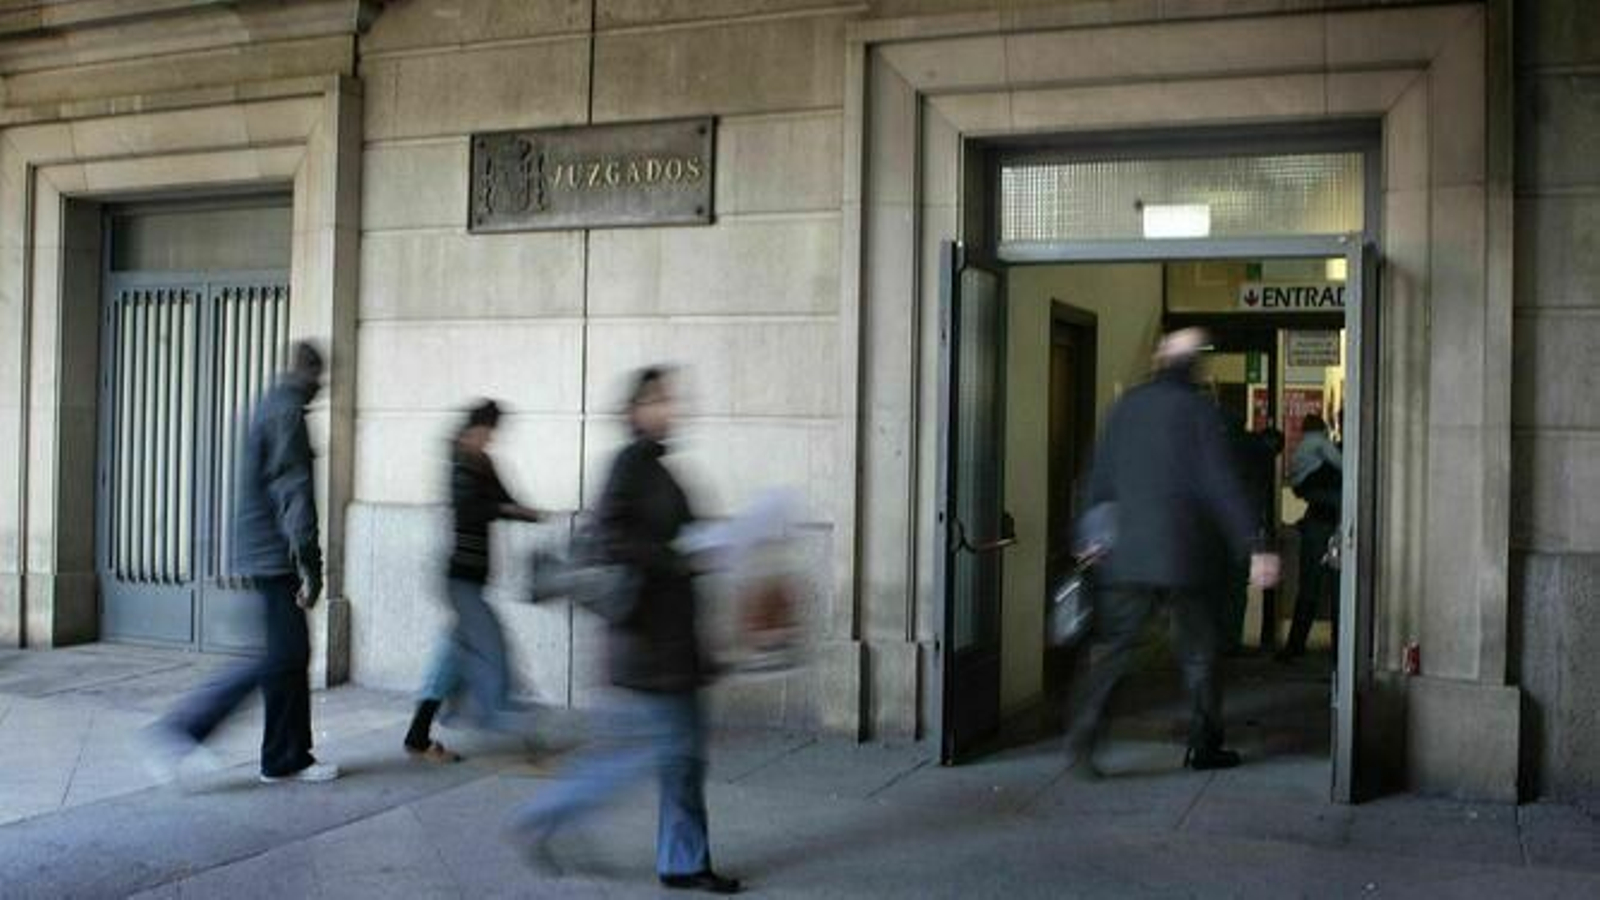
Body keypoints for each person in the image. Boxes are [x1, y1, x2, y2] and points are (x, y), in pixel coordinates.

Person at [511, 367, 742, 895]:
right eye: (658, 400)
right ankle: (554, 816)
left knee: (670, 757)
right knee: (657, 757)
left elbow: (683, 536)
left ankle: (678, 859)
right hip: (646, 643)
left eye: (671, 400)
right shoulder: (630, 466)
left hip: (668, 641)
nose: (670, 408)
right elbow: (612, 539)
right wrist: (677, 559)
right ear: (635, 410)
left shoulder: (662, 470)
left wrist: (711, 546)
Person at [1064, 329, 1280, 777]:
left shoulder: (1126, 407)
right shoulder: (1201, 412)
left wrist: (1087, 536)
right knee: (1201, 654)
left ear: (1161, 360)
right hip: (1185, 556)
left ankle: (1083, 742)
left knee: (1115, 652)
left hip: (1126, 555)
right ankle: (1203, 745)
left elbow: (1097, 473)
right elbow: (1221, 484)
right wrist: (1255, 545)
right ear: (1195, 367)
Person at [147, 341, 337, 784]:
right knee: (278, 657)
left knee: (287, 656)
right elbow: (294, 493)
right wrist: (311, 567)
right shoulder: (286, 412)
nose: (321, 388)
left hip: (263, 550)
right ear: (310, 373)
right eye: (320, 378)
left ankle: (286, 757)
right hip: (275, 555)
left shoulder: (271, 404)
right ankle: (183, 731)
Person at [402, 399, 542, 762]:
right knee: (493, 645)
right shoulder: (459, 462)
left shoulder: (484, 462)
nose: (488, 439)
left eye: (492, 433)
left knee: (450, 657)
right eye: (485, 432)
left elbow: (504, 500)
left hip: (475, 579)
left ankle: (418, 736)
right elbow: (470, 508)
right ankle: (501, 714)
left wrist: (527, 513)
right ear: (471, 429)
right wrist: (505, 509)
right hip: (458, 579)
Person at [1277, 413, 1343, 662]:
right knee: (1337, 593)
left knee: (1309, 589)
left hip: (1317, 523)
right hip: (1331, 523)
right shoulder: (1331, 449)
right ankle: (1340, 651)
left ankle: (1296, 645)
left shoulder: (1310, 449)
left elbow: (1303, 488)